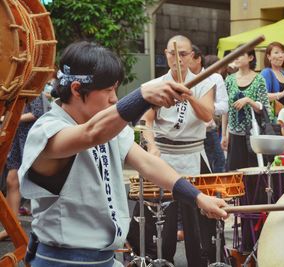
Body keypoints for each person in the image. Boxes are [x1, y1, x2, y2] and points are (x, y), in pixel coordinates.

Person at [17, 41, 227, 267]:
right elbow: (91, 134)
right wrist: (143, 96)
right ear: (77, 89)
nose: (114, 98)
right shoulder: (47, 130)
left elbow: (148, 163)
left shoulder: (107, 128)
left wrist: (198, 198)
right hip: (62, 261)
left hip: (105, 260)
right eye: (108, 90)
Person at [137, 35, 218, 267]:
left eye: (183, 54)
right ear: (166, 55)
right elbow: (146, 121)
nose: (178, 59)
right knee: (161, 217)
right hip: (164, 155)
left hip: (194, 154)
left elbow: (207, 115)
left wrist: (189, 94)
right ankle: (160, 260)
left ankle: (200, 261)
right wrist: (151, 145)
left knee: (198, 217)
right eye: (173, 54)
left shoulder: (204, 81)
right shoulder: (157, 85)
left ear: (192, 56)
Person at [221, 48, 273, 252]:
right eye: (236, 55)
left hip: (253, 137)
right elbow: (225, 108)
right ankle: (243, 234)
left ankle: (256, 234)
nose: (238, 58)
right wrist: (223, 133)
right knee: (238, 182)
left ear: (251, 58)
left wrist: (250, 101)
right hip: (235, 135)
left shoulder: (259, 79)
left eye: (242, 55)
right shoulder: (230, 80)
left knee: (255, 184)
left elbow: (266, 108)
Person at [0, 93, 49, 241]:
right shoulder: (13, 89)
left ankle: (42, 228)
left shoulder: (33, 88)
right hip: (17, 137)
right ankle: (11, 225)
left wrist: (11, 119)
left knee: (36, 181)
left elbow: (37, 113)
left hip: (29, 138)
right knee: (11, 180)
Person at [190, 46, 228, 173]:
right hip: (187, 132)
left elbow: (224, 106)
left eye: (186, 57)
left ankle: (214, 193)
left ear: (198, 59)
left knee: (217, 165)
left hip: (208, 130)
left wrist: (205, 108)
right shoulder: (180, 78)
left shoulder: (215, 78)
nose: (181, 61)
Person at [260, 41, 284, 107]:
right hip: (273, 115)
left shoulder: (283, 73)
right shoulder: (266, 73)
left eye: (283, 52)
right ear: (269, 56)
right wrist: (282, 94)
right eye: (276, 52)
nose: (280, 55)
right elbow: (262, 96)